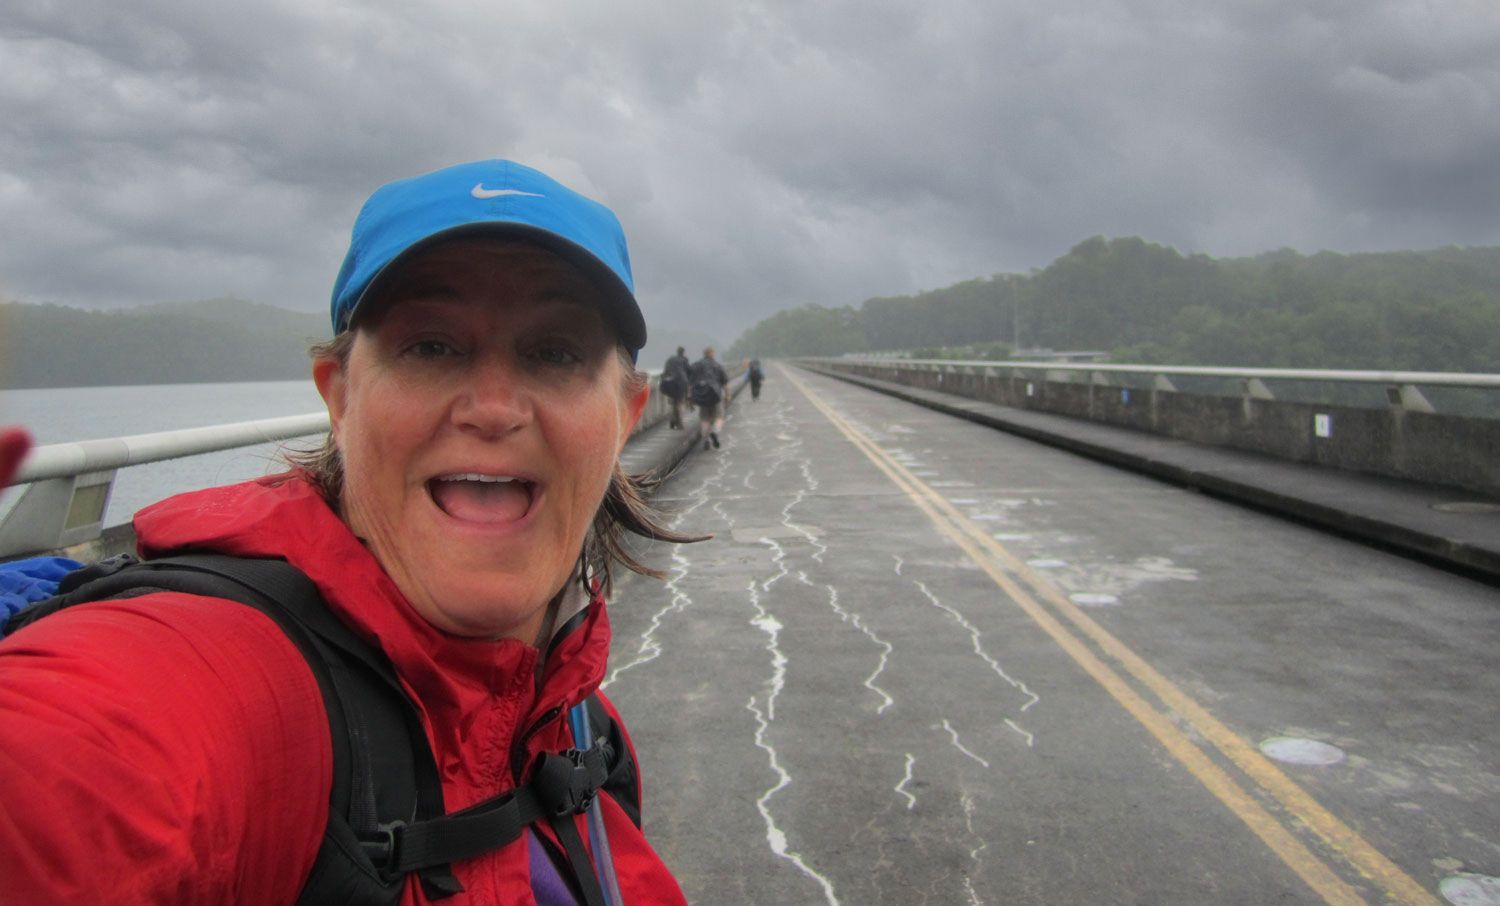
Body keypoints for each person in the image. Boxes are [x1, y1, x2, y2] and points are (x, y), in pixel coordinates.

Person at [0, 159, 695, 904]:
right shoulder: (229, 684)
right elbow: (65, 779)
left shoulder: (577, 720)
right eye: (431, 346)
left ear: (625, 415)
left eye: (555, 352)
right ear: (340, 399)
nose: (494, 408)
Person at [689, 346, 729, 450]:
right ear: (712, 353)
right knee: (719, 416)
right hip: (716, 395)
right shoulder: (717, 365)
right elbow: (725, 383)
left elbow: (690, 382)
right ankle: (715, 432)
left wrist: (690, 397)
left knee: (704, 419)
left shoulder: (696, 365)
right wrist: (728, 395)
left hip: (703, 396)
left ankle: (706, 439)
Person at [660, 345, 692, 429]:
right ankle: (679, 422)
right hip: (681, 383)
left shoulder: (670, 360)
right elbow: (689, 371)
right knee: (679, 403)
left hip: (670, 383)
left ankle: (673, 419)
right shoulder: (684, 360)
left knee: (673, 402)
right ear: (683, 352)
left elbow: (665, 371)